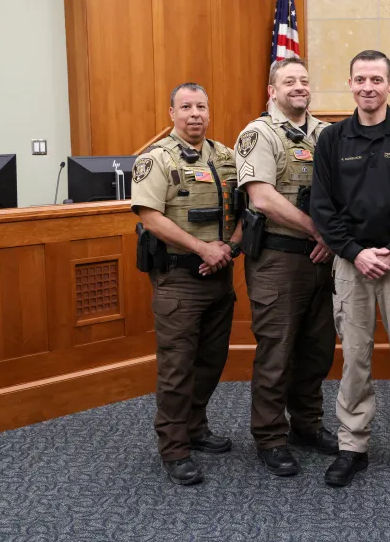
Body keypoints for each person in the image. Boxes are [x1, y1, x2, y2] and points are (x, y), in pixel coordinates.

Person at [310, 50, 390, 488]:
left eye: (377, 79)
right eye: (360, 79)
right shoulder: (331, 139)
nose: (368, 86)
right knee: (354, 360)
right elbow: (322, 208)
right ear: (350, 84)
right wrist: (354, 251)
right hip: (351, 265)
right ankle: (352, 446)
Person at [131, 82, 242, 486]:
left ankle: (195, 427)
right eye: (186, 107)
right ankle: (174, 448)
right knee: (177, 368)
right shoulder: (156, 159)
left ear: (209, 113)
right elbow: (149, 215)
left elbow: (247, 208)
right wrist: (202, 248)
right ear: (172, 114)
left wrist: (228, 248)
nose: (195, 113)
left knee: (211, 361)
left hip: (220, 274)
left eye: (202, 107)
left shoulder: (227, 156)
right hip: (179, 279)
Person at [234, 57, 338, 477]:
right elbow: (262, 197)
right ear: (271, 91)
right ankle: (270, 435)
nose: (298, 86)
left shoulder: (327, 135)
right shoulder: (258, 134)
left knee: (316, 350)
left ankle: (307, 425)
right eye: (288, 81)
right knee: (276, 352)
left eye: (304, 80)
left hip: (323, 259)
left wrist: (333, 240)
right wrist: (319, 231)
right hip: (278, 259)